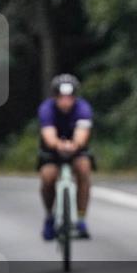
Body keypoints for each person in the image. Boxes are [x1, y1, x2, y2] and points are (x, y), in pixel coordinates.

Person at [37, 74, 95, 240]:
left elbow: (82, 133)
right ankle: (49, 216)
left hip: (76, 147)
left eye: (69, 97)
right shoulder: (46, 109)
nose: (65, 101)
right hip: (52, 149)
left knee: (84, 169)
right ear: (55, 97)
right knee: (48, 177)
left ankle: (81, 217)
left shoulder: (83, 108)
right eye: (61, 97)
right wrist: (57, 145)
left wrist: (74, 145)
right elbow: (48, 135)